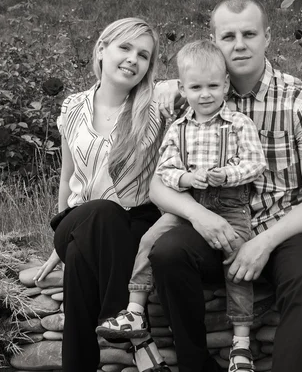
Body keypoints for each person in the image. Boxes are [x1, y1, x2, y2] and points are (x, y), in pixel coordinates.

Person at [150, 0, 302, 372]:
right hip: (216, 222)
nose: (239, 44)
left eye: (249, 33)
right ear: (214, 40)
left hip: (284, 225)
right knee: (168, 254)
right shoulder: (195, 96)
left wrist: (263, 243)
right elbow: (159, 185)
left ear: (267, 37)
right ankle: (196, 365)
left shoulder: (300, 101)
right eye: (229, 36)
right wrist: (199, 217)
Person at [96, 40, 266, 372]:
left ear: (226, 86)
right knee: (149, 240)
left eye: (213, 86)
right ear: (184, 90)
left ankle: (241, 344)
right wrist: (185, 180)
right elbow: (166, 171)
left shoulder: (239, 124)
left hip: (230, 206)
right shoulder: (178, 129)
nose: (205, 94)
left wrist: (226, 174)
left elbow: (255, 164)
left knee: (237, 265)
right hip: (186, 207)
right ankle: (133, 310)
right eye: (196, 87)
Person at [31, 17, 170, 372]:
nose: (132, 59)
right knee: (98, 216)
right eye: (124, 47)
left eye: (143, 55)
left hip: (134, 223)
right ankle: (127, 324)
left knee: (80, 256)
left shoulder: (155, 108)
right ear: (101, 49)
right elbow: (67, 177)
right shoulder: (72, 106)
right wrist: (61, 235)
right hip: (77, 219)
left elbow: (204, 79)